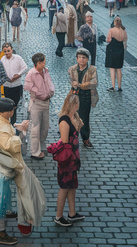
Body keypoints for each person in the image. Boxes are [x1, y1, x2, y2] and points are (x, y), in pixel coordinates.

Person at [0, 97, 45, 245]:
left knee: (1, 198)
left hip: (1, 166)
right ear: (5, 112)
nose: (12, 112)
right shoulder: (0, 127)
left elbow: (8, 131)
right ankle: (1, 233)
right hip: (0, 169)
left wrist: (17, 127)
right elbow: (9, 145)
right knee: (0, 200)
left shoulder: (1, 118)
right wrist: (21, 132)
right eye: (11, 111)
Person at [53, 93, 85, 226]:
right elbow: (65, 142)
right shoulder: (64, 120)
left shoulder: (73, 117)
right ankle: (58, 216)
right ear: (74, 105)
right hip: (67, 159)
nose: (79, 105)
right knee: (64, 187)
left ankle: (72, 213)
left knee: (72, 186)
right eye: (77, 103)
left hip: (74, 157)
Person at [24, 53, 55, 160]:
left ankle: (41, 146)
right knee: (35, 128)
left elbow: (50, 82)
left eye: (44, 61)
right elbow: (28, 86)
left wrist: (51, 92)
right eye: (42, 62)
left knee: (45, 127)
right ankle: (34, 152)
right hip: (36, 103)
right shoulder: (31, 73)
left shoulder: (45, 71)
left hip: (46, 103)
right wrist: (39, 93)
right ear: (37, 63)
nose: (44, 63)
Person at [68, 48, 98, 149]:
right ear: (76, 59)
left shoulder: (92, 69)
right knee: (72, 116)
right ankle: (72, 137)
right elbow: (70, 79)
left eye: (83, 58)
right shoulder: (72, 68)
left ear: (87, 59)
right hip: (74, 95)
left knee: (84, 118)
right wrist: (73, 83)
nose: (81, 60)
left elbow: (94, 83)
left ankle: (85, 139)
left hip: (86, 95)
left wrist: (81, 85)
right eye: (79, 57)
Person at [1, 43, 28, 126]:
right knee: (8, 105)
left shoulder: (18, 58)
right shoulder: (2, 59)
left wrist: (18, 74)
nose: (7, 53)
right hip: (7, 86)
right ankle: (8, 122)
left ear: (12, 50)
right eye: (5, 51)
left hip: (16, 86)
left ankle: (13, 122)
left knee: (15, 106)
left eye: (8, 51)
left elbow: (25, 68)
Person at [105, 16, 127, 91]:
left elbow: (108, 39)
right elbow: (125, 39)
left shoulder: (111, 30)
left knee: (112, 68)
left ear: (114, 22)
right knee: (118, 68)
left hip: (112, 49)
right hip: (120, 49)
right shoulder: (123, 30)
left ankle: (113, 86)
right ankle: (119, 87)